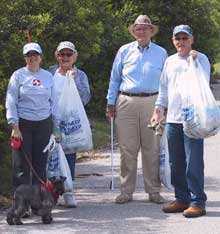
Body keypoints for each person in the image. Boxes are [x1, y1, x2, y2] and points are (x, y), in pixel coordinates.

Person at [106, 15, 168, 204]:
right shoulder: (124, 51)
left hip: (153, 102)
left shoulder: (161, 52)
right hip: (126, 102)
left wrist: (164, 105)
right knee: (127, 149)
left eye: (145, 28)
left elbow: (166, 82)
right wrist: (110, 102)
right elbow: (115, 78)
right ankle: (126, 191)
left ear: (151, 31)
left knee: (152, 148)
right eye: (138, 29)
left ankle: (154, 191)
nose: (141, 31)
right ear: (134, 31)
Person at [151, 25, 210, 218]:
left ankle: (197, 201)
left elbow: (203, 83)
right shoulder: (170, 61)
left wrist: (193, 61)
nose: (181, 42)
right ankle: (182, 198)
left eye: (185, 38)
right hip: (174, 119)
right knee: (175, 162)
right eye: (178, 38)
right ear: (173, 41)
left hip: (193, 118)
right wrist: (158, 109)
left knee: (193, 162)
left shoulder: (200, 59)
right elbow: (163, 88)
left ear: (192, 39)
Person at [5, 42, 56, 194]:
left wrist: (56, 126)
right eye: (29, 55)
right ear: (25, 58)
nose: (32, 58)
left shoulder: (47, 76)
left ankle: (38, 201)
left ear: (40, 57)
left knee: (40, 165)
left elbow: (54, 102)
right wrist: (14, 126)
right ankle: (21, 204)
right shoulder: (18, 75)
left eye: (35, 55)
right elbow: (11, 100)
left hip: (43, 124)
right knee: (22, 166)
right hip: (23, 125)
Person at [48, 41, 91, 207]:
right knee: (50, 157)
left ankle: (68, 191)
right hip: (51, 120)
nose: (65, 57)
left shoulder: (80, 75)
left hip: (71, 121)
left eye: (68, 54)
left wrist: (75, 81)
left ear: (75, 56)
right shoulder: (49, 72)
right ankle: (50, 192)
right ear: (57, 55)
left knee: (69, 155)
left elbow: (85, 98)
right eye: (62, 54)